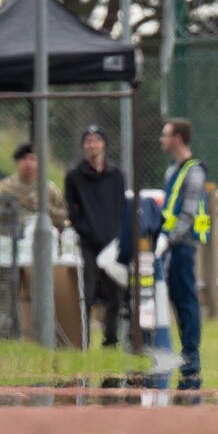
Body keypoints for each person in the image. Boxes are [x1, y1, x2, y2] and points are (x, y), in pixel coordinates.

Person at [64, 123, 129, 348]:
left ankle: (111, 340)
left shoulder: (117, 175)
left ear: (103, 144)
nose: (92, 145)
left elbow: (123, 207)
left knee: (115, 296)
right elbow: (71, 210)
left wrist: (120, 236)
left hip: (113, 244)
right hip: (88, 244)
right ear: (84, 146)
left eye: (96, 140)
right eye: (88, 141)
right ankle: (83, 341)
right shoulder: (74, 175)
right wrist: (84, 229)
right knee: (86, 295)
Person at [156, 118, 208, 391]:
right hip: (171, 246)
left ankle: (191, 362)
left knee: (186, 301)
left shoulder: (194, 172)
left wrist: (168, 237)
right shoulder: (172, 170)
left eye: (166, 135)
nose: (162, 140)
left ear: (178, 138)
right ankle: (183, 359)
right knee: (176, 300)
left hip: (183, 246)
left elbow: (188, 214)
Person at [0, 142, 68, 231]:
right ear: (17, 162)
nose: (28, 163)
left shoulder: (49, 188)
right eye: (24, 158)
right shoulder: (4, 187)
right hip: (11, 236)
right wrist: (18, 205)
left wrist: (45, 208)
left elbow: (63, 215)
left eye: (32, 159)